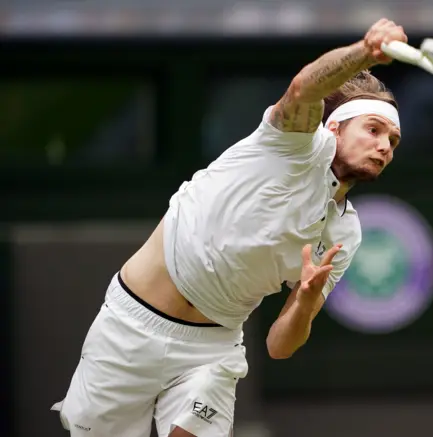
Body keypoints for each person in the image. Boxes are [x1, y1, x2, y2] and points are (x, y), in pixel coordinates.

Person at [51, 18, 407, 437]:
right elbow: (302, 88)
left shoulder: (345, 235)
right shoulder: (290, 143)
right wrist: (366, 51)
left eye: (394, 141)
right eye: (373, 129)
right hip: (129, 327)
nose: (384, 146)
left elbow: (280, 346)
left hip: (211, 351)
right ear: (333, 128)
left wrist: (307, 301)